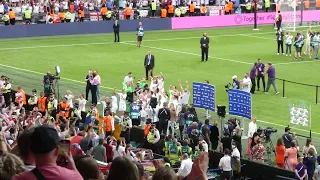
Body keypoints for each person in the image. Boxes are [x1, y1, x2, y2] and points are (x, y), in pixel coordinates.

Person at [12, 124, 83, 180]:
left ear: (32, 150)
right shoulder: (72, 176)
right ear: (57, 150)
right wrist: (73, 167)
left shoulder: (18, 178)